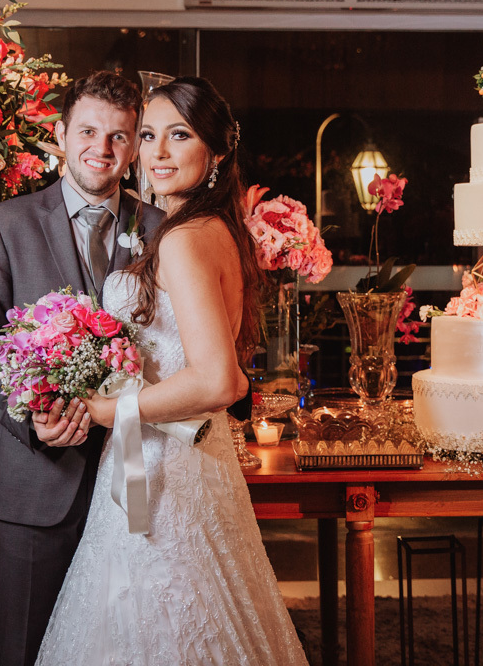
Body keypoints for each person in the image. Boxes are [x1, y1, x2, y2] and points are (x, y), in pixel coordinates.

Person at [37, 77, 307, 665]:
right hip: (188, 461)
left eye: (178, 136)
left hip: (165, 472)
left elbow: (219, 380)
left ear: (215, 154)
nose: (156, 153)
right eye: (149, 136)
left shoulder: (184, 240)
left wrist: (110, 409)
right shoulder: (214, 232)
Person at [0, 71, 165, 666]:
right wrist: (33, 419)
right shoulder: (5, 224)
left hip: (139, 476)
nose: (101, 149)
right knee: (29, 650)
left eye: (119, 137)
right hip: (37, 479)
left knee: (129, 646)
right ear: (60, 134)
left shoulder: (161, 232)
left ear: (133, 147)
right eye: (88, 131)